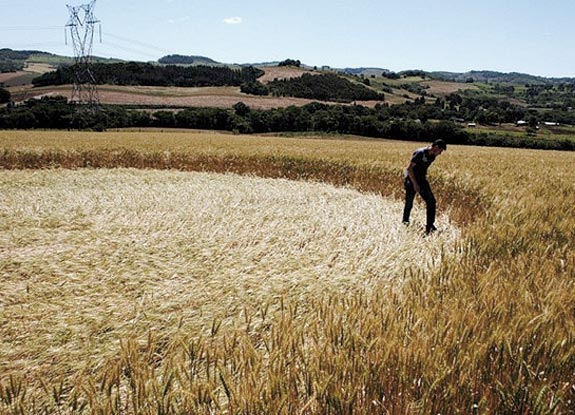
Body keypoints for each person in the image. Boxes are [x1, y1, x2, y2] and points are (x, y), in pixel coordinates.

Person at [402, 139, 447, 234]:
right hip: (411, 179)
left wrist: (421, 183)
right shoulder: (420, 153)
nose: (440, 153)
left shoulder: (433, 156)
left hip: (421, 180)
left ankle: (430, 226)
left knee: (431, 201)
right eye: (441, 150)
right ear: (436, 147)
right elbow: (409, 169)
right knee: (409, 202)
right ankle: (405, 221)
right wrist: (415, 184)